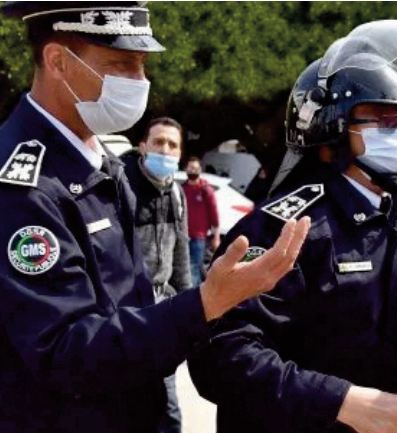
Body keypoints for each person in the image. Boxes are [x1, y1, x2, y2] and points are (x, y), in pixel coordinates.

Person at [0, 3, 310, 433]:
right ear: (57, 62)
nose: (139, 81)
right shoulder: (21, 186)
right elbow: (66, 351)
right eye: (121, 64)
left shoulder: (102, 162)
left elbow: (133, 305)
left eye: (142, 64)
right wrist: (205, 303)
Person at [188, 20, 397, 433]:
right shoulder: (285, 229)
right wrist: (341, 401)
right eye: (378, 119)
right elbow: (221, 355)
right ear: (330, 127)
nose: (396, 132)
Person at [120, 116, 191, 433]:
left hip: (163, 314)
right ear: (143, 146)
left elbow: (182, 255)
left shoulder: (176, 193)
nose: (165, 150)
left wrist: (190, 310)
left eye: (172, 145)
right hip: (125, 316)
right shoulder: (122, 188)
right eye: (159, 142)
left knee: (168, 410)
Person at [183, 155, 220, 287]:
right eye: (190, 168)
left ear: (200, 170)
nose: (193, 171)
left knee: (194, 268)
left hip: (198, 237)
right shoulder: (182, 189)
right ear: (186, 169)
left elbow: (214, 215)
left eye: (195, 168)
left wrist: (216, 237)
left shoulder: (205, 190)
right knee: (184, 269)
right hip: (182, 236)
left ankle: (194, 299)